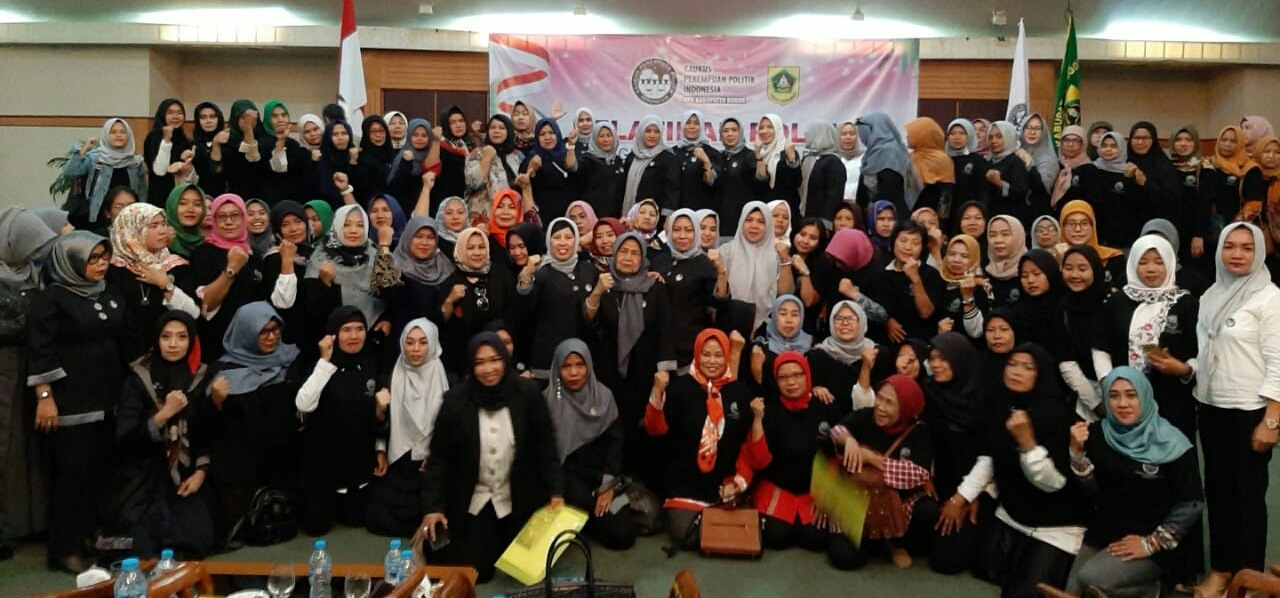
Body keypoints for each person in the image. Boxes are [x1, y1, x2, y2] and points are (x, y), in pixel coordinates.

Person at [419, 332, 564, 584]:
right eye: (480, 362)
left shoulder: (528, 394)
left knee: (525, 569)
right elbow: (438, 459)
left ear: (506, 360)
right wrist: (433, 508)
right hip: (475, 498)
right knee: (478, 572)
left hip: (518, 497)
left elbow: (546, 447)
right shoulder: (455, 401)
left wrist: (556, 492)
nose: (488, 369)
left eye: (495, 360)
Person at [27, 231, 124, 573]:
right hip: (69, 402)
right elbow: (40, 350)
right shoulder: (51, 299)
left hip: (107, 397)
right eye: (92, 259)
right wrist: (44, 397)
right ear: (71, 262)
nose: (101, 264)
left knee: (98, 473)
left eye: (104, 257)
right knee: (73, 475)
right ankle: (63, 548)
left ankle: (88, 538)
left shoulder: (108, 291)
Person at [1192, 222, 1280, 597]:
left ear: (1259, 252)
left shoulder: (1269, 298)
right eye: (1230, 246)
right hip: (1212, 406)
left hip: (1251, 411)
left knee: (1248, 499)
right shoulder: (1211, 294)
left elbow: (1279, 361)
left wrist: (1272, 420)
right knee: (1218, 494)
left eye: (1247, 247)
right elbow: (1205, 351)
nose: (1237, 254)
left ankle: (1248, 579)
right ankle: (1221, 570)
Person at [1065, 367, 1203, 598]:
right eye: (1114, 396)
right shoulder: (1097, 434)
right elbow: (1090, 492)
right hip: (1104, 534)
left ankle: (1153, 590)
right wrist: (1077, 454)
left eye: (1131, 395)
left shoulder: (1173, 443)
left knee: (1091, 579)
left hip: (1153, 541)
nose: (1122, 403)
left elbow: (1191, 504)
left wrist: (1151, 543)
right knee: (1073, 592)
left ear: (1145, 396)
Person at [976, 344, 1087, 598]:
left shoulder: (1059, 417)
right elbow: (992, 456)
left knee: (1024, 594)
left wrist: (1027, 443)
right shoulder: (1000, 405)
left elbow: (1054, 483)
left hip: (1055, 525)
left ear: (1043, 374)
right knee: (983, 567)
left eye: (1028, 368)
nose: (1017, 372)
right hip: (1011, 513)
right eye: (1012, 364)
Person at [106, 311, 217, 558]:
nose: (173, 344)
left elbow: (204, 434)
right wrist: (164, 414)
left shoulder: (200, 376)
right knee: (138, 547)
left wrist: (200, 473)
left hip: (184, 477)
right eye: (166, 337)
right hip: (142, 476)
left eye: (182, 337)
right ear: (156, 339)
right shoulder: (138, 378)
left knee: (196, 541)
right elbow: (125, 440)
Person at [741, 351, 855, 566]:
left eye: (797, 375)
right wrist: (757, 421)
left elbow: (835, 457)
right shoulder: (769, 411)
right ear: (776, 381)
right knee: (777, 537)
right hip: (778, 489)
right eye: (783, 377)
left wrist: (827, 494)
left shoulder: (826, 405)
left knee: (815, 538)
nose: (791, 382)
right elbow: (759, 461)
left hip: (816, 491)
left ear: (808, 376)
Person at [644, 328, 751, 543]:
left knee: (734, 535)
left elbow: (747, 445)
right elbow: (655, 430)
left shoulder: (740, 392)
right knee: (687, 536)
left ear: (727, 356)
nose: (712, 361)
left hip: (724, 484)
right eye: (706, 354)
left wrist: (738, 482)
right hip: (685, 483)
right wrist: (657, 391)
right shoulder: (679, 388)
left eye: (718, 355)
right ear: (697, 354)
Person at [206, 302, 303, 539]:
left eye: (276, 330)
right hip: (240, 468)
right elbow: (209, 426)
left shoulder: (290, 359)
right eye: (263, 331)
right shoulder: (222, 371)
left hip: (282, 464)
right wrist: (215, 402)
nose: (272, 337)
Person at [1092, 235, 1199, 438]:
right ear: (1133, 264)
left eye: (1159, 262)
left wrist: (1184, 369)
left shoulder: (1187, 304)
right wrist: (1107, 380)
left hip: (1173, 402)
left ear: (1170, 263)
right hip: (1125, 401)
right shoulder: (1117, 301)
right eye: (1143, 262)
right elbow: (1101, 346)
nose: (1151, 269)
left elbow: (1203, 352)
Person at [295, 306, 386, 536]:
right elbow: (304, 404)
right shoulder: (320, 364)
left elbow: (377, 414)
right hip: (322, 464)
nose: (354, 336)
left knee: (357, 522)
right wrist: (325, 362)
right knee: (316, 528)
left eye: (359, 329)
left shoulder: (371, 361)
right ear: (333, 334)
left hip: (358, 463)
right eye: (346, 330)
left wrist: (380, 447)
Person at [829, 373, 933, 569]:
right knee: (846, 558)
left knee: (927, 510)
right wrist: (849, 440)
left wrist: (870, 458)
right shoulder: (865, 415)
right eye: (879, 398)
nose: (881, 407)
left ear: (906, 408)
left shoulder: (918, 431)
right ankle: (874, 542)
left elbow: (918, 473)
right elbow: (837, 431)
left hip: (896, 506)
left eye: (890, 403)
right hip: (856, 502)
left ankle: (896, 542)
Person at [0, 208, 56, 561]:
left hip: (29, 367)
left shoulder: (33, 273)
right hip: (4, 366)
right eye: (31, 245)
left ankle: (30, 522)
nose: (36, 253)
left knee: (28, 447)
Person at [544, 339, 636, 550]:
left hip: (600, 478)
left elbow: (615, 444)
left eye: (580, 364)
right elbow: (545, 455)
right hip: (564, 480)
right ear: (557, 369)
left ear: (589, 366)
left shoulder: (604, 397)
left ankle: (584, 520)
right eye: (566, 366)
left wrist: (608, 486)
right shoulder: (547, 402)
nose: (574, 372)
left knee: (624, 535)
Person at [921, 332, 988, 575]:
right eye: (932, 358)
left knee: (947, 562)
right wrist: (924, 475)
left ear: (960, 360)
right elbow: (922, 437)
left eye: (944, 359)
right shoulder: (929, 390)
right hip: (936, 481)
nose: (936, 365)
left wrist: (964, 498)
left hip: (972, 487)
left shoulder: (982, 398)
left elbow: (988, 457)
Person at [107, 202, 200, 361]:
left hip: (169, 356)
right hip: (122, 356)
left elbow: (193, 314)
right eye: (153, 226)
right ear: (133, 230)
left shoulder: (175, 265)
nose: (162, 230)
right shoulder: (113, 269)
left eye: (163, 224)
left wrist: (165, 284)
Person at [516, 217, 598, 381]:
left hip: (583, 353)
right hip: (549, 357)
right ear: (548, 241)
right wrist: (526, 277)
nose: (562, 243)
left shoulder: (589, 270)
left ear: (576, 241)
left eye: (568, 237)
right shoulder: (541, 274)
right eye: (557, 237)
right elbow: (524, 312)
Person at [190, 194, 262, 362]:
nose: (228, 222)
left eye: (235, 215)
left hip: (250, 343)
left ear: (244, 218)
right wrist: (231, 269)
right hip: (215, 343)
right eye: (221, 216)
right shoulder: (203, 254)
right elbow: (206, 304)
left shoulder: (255, 256)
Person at [438, 227, 517, 374]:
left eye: (481, 247)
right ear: (461, 249)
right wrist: (450, 300)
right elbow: (442, 322)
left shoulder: (501, 275)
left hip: (500, 358)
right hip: (464, 362)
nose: (477, 253)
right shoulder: (452, 282)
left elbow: (513, 313)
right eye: (470, 248)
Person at [62, 118, 149, 231]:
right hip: (97, 219)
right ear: (106, 135)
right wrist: (83, 150)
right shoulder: (95, 158)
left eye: (122, 132)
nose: (118, 135)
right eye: (113, 132)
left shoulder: (135, 163)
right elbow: (71, 173)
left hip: (127, 221)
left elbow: (142, 193)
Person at [868, 221, 944, 342]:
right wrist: (886, 321)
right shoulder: (880, 271)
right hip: (885, 341)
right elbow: (873, 306)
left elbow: (926, 313)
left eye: (915, 243)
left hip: (919, 341)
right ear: (893, 242)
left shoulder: (931, 274)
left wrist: (915, 279)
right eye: (903, 241)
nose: (908, 247)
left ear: (922, 247)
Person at [808, 300, 877, 421]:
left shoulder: (875, 353)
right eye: (838, 319)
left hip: (867, 421)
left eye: (851, 318)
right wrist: (815, 388)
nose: (844, 323)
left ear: (861, 321)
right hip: (829, 422)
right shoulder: (818, 355)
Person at [719, 201, 782, 332]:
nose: (754, 226)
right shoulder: (725, 252)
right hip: (726, 322)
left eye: (761, 222)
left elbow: (783, 293)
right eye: (749, 220)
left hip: (764, 327)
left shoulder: (776, 256)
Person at [1058, 200, 1126, 286]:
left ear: (1093, 226)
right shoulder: (1051, 260)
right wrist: (1061, 262)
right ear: (1062, 227)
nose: (1078, 229)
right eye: (1071, 224)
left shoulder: (1113, 258)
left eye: (1084, 223)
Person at [622, 115, 679, 216]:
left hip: (656, 217)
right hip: (631, 217)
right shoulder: (632, 157)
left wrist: (668, 216)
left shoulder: (668, 158)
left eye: (656, 132)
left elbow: (672, 191)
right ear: (641, 133)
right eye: (648, 131)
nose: (652, 135)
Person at [521, 118, 578, 219]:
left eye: (551, 133)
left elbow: (573, 169)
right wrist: (532, 170)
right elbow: (522, 186)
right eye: (542, 134)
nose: (547, 137)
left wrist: (571, 145)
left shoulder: (566, 154)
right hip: (543, 218)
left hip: (570, 216)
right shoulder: (532, 159)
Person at [855, 112, 911, 214]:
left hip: (889, 214)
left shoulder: (890, 151)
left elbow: (889, 187)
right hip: (876, 212)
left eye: (862, 131)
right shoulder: (872, 152)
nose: (861, 136)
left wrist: (872, 208)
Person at [142, 99, 192, 208]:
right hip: (160, 197)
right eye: (170, 113)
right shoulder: (154, 137)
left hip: (181, 196)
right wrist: (166, 141)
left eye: (179, 113)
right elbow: (159, 171)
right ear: (162, 115)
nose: (175, 116)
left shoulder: (184, 139)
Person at [937, 234, 988, 340]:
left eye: (964, 256)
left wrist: (968, 297)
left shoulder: (980, 286)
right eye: (952, 254)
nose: (956, 260)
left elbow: (976, 332)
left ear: (974, 258)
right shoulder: (937, 280)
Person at [572, 121, 627, 218]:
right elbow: (572, 167)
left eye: (609, 135)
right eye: (601, 136)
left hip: (615, 216)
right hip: (591, 216)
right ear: (595, 138)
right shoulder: (587, 159)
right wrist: (570, 146)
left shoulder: (618, 161)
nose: (605, 140)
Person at [671, 110, 722, 212]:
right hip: (677, 213)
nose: (692, 127)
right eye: (688, 123)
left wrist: (706, 162)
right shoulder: (673, 152)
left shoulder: (711, 153)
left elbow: (713, 183)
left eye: (696, 123)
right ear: (683, 126)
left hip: (702, 212)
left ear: (702, 127)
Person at [905, 117, 955, 218]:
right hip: (910, 216)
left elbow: (946, 195)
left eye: (912, 133)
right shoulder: (910, 157)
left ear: (922, 135)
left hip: (933, 216)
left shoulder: (942, 160)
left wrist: (941, 221)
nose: (907, 137)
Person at [983, 121, 1031, 225]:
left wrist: (1000, 183)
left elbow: (1022, 192)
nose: (994, 141)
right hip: (991, 217)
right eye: (990, 137)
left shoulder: (1015, 162)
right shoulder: (988, 161)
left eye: (999, 136)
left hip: (1011, 219)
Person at [798, 121, 847, 222]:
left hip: (821, 221)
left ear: (821, 135)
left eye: (810, 133)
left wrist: (826, 222)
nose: (806, 136)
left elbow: (834, 197)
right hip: (804, 217)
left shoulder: (833, 162)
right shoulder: (808, 159)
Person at [717, 118, 758, 234]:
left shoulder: (750, 156)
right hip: (721, 217)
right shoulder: (719, 156)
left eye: (734, 130)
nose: (730, 134)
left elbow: (760, 182)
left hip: (743, 217)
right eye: (725, 131)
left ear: (740, 133)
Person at [946, 118, 990, 208]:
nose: (957, 137)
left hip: (969, 210)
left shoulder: (977, 160)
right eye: (952, 133)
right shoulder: (943, 158)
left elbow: (984, 191)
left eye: (962, 133)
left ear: (970, 135)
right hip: (946, 210)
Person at [1051, 125, 1091, 209]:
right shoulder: (1055, 165)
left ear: (1083, 144)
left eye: (1075, 141)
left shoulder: (1089, 169)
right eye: (1066, 140)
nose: (1070, 144)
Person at [838, 121, 864, 201]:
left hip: (859, 203)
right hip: (837, 203)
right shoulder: (833, 158)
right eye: (844, 134)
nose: (848, 137)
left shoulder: (864, 157)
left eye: (852, 134)